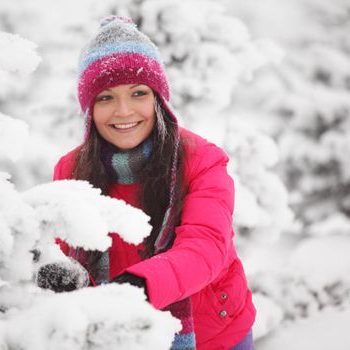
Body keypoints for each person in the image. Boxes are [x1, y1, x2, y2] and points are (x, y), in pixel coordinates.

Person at [39, 15, 256, 350]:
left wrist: (141, 286)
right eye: (106, 97)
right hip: (118, 337)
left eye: (138, 93)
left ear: (158, 99)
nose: (124, 111)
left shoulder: (201, 158)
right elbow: (63, 249)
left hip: (213, 335)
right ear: (89, 109)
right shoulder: (70, 169)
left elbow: (206, 246)